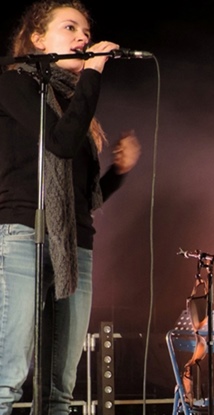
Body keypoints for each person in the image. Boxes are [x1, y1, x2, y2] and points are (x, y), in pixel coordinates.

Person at [0, 1, 141, 414]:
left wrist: (118, 172)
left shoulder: (73, 104)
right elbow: (58, 144)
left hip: (74, 244)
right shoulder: (15, 85)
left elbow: (81, 199)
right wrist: (94, 74)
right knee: (8, 378)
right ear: (38, 39)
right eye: (70, 28)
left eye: (86, 30)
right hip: (23, 233)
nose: (84, 37)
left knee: (61, 386)